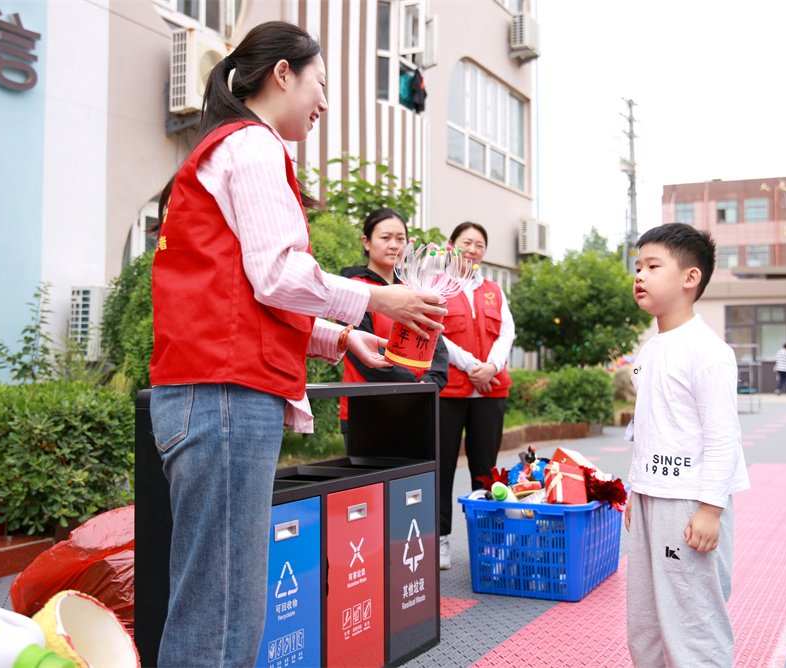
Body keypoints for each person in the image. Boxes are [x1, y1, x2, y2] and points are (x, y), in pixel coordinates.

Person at [148, 22, 445, 668]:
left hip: (204, 395)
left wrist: (342, 339)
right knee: (224, 618)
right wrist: (377, 300)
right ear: (282, 73)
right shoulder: (253, 147)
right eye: (321, 83)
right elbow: (279, 276)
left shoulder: (219, 149)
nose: (325, 102)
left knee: (213, 608)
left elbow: (248, 298)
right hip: (224, 397)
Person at [625, 223, 750, 667]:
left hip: (689, 503)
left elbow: (722, 436)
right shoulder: (652, 349)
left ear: (689, 278)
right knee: (645, 619)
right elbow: (651, 426)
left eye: (653, 266)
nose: (639, 275)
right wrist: (633, 492)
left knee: (692, 618)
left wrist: (711, 509)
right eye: (637, 266)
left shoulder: (708, 351)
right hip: (650, 497)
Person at [437, 222, 515, 570]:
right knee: (442, 468)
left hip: (490, 391)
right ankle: (440, 540)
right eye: (466, 242)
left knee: (486, 471)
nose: (472, 249)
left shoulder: (494, 290)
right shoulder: (438, 286)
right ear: (451, 245)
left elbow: (506, 333)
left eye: (479, 244)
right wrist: (473, 367)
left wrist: (492, 367)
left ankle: (489, 540)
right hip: (450, 390)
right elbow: (436, 332)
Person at [338, 208, 449, 442]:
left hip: (418, 404)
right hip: (368, 407)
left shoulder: (416, 289)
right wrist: (413, 384)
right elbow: (362, 353)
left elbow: (436, 346)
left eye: (400, 239)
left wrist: (429, 385)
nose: (394, 245)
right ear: (366, 242)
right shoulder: (353, 288)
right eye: (385, 237)